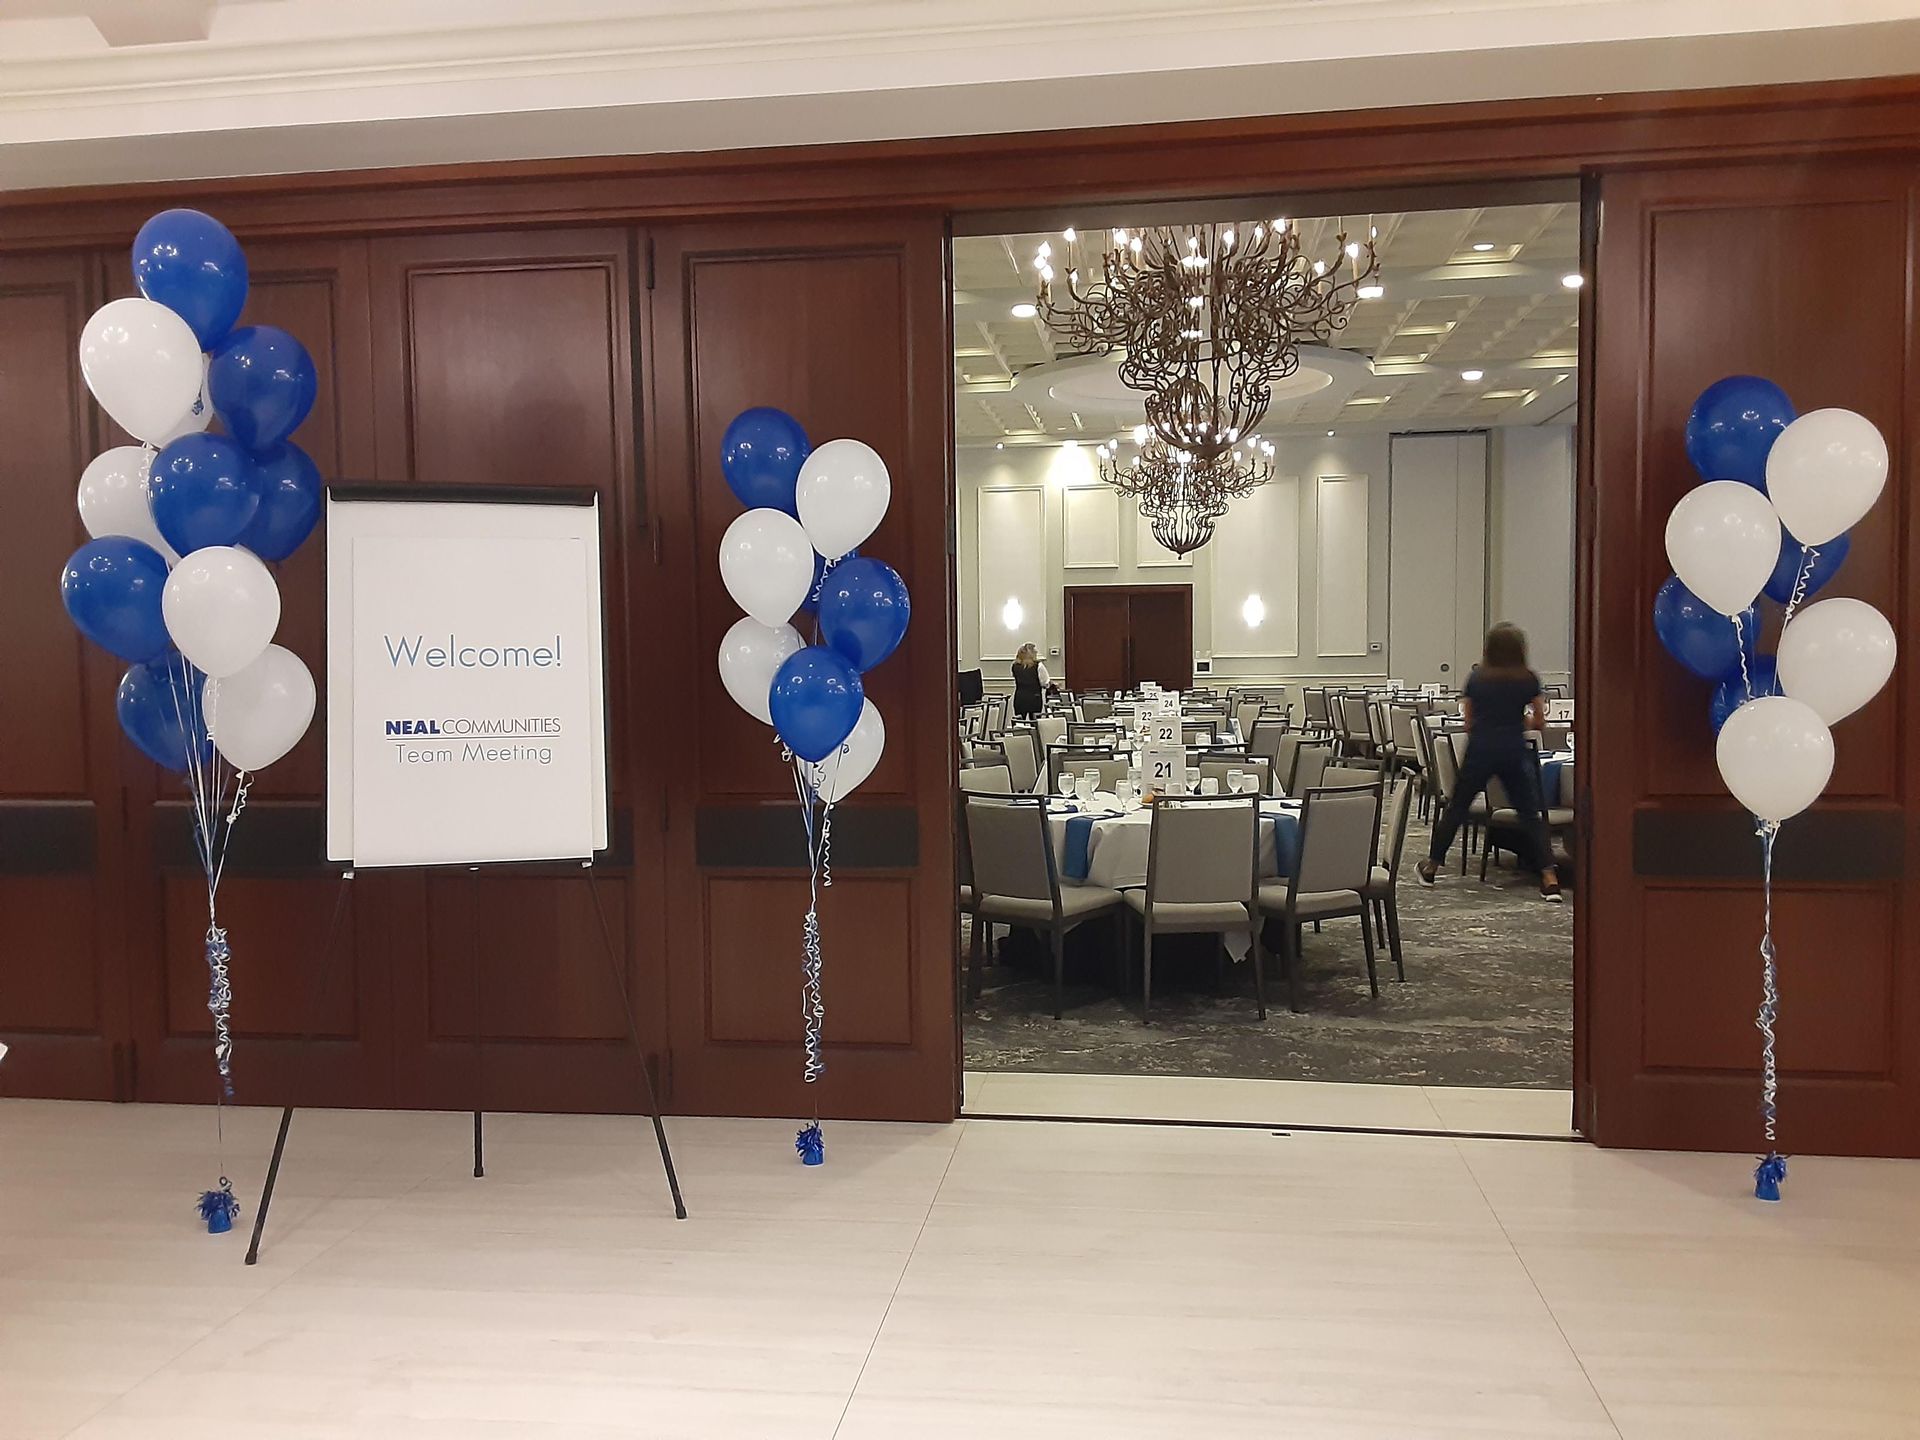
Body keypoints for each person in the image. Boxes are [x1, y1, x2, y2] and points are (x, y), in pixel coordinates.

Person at [1417, 623, 1563, 902]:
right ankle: (1549, 877)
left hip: (1481, 748)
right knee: (1530, 813)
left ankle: (1432, 866)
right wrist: (1520, 722)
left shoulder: (1477, 678)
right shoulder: (1528, 678)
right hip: (1513, 749)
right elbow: (1540, 722)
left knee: (1458, 808)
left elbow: (1469, 722)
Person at [1010, 642, 1052, 719]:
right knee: (1035, 722)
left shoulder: (1015, 666)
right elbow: (1045, 683)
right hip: (1034, 697)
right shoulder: (1038, 665)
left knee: (1020, 723)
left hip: (1020, 698)